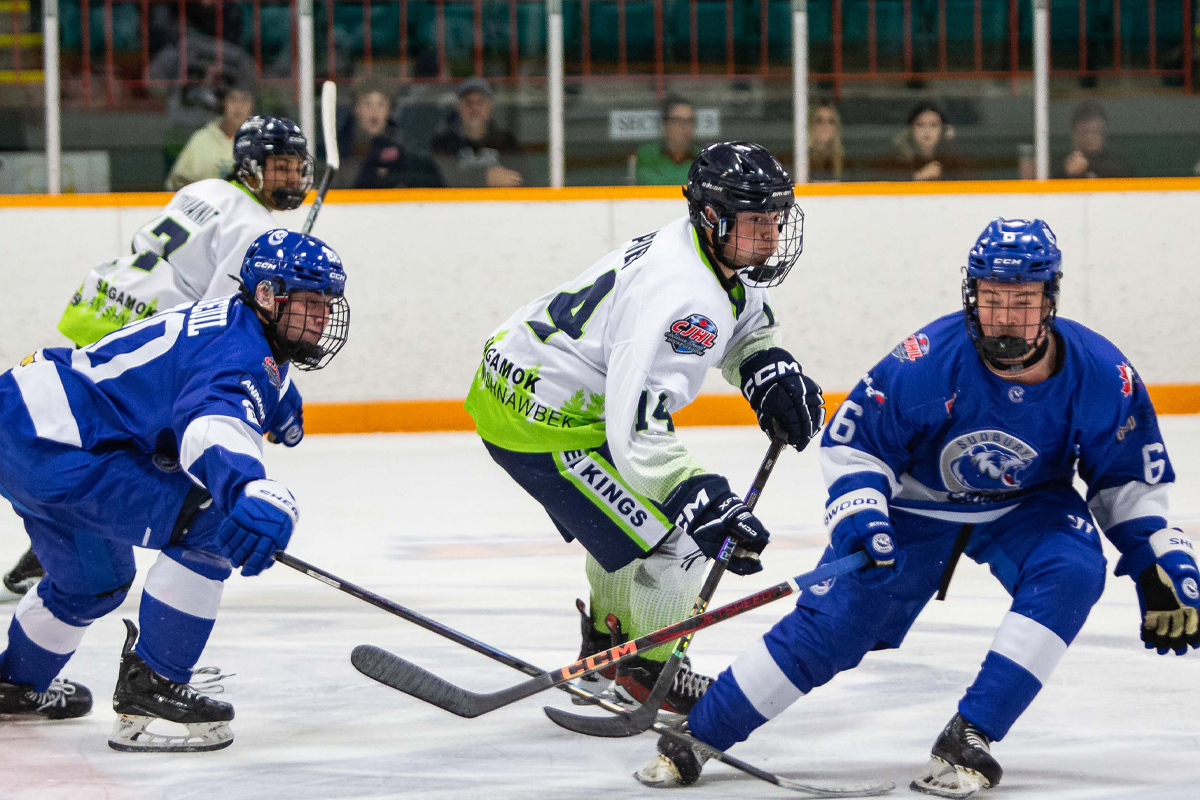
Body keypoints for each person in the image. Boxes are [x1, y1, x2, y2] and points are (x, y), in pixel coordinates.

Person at [636, 218, 1199, 795]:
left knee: (1073, 572)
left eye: (1023, 301)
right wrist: (862, 514)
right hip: (916, 506)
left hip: (1029, 506)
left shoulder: (1104, 374)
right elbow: (856, 444)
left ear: (1050, 300)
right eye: (992, 299)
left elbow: (1127, 477)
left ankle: (971, 734)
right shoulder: (926, 360)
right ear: (971, 296)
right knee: (835, 626)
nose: (1005, 317)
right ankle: (702, 732)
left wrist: (1159, 555)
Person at [463, 142, 826, 713]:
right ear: (713, 215)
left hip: (529, 386)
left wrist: (765, 367)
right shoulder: (682, 297)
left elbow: (743, 316)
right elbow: (634, 431)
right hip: (544, 419)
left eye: (776, 218)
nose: (772, 237)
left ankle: (607, 650)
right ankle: (649, 674)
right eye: (756, 221)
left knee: (632, 528)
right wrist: (698, 498)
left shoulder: (707, 248)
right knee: (679, 537)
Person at [0, 229, 350, 752]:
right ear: (266, 296)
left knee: (94, 582)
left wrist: (276, 390)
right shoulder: (239, 354)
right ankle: (153, 689)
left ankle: (14, 684)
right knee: (212, 522)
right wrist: (250, 488)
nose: (321, 317)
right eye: (309, 302)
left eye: (327, 303)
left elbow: (205, 371)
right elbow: (209, 426)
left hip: (26, 425)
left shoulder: (241, 329)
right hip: (62, 447)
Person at [2, 116, 313, 604]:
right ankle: (69, 548)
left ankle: (64, 542)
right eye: (281, 167)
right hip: (145, 332)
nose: (292, 178)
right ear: (251, 167)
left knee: (91, 442)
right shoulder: (254, 226)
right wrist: (278, 388)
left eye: (296, 168)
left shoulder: (206, 189)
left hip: (107, 305)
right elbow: (232, 322)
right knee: (144, 456)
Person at [334, 77, 443, 190]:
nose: (374, 111)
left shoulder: (404, 146)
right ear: (356, 109)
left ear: (389, 110)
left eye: (381, 104)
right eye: (367, 103)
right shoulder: (341, 147)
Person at [430, 78, 525, 188]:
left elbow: (525, 180)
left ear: (490, 106)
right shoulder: (443, 143)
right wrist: (482, 179)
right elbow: (438, 182)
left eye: (480, 102)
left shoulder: (506, 141)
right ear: (458, 107)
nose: (474, 108)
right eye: (468, 102)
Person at [165, 84, 255, 190]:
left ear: (252, 105)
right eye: (233, 99)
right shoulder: (201, 139)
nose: (238, 106)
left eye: (244, 100)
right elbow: (175, 183)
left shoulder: (262, 140)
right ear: (223, 102)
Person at [876, 102, 970, 181]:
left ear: (943, 130)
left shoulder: (955, 159)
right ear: (911, 129)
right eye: (920, 124)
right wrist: (916, 177)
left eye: (933, 125)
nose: (927, 131)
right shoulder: (894, 159)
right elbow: (880, 183)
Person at [633, 96, 699, 186]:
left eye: (689, 121)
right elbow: (647, 184)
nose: (685, 127)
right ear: (665, 125)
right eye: (678, 120)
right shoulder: (646, 155)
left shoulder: (703, 158)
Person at [1056, 101, 1130, 179]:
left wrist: (1088, 166)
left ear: (1103, 134)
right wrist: (1065, 171)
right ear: (1074, 134)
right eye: (1084, 132)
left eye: (1095, 132)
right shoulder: (1059, 164)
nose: (1089, 137)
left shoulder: (1116, 166)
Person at [808, 102, 844, 182]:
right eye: (819, 120)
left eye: (831, 121)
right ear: (811, 125)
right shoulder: (798, 161)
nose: (825, 125)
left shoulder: (846, 164)